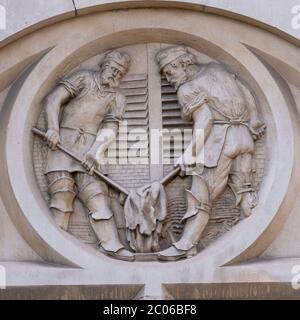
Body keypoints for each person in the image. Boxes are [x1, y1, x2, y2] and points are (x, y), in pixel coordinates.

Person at [156, 46, 266, 260]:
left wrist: (189, 153)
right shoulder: (218, 68)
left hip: (218, 145)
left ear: (182, 64)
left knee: (200, 195)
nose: (169, 79)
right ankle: (255, 244)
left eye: (170, 72)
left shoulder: (188, 88)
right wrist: (254, 119)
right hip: (244, 139)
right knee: (244, 192)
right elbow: (246, 91)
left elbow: (205, 120)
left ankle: (186, 245)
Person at [44, 50, 133, 260]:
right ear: (104, 65)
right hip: (62, 143)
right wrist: (53, 129)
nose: (115, 75)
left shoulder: (117, 98)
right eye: (113, 69)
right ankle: (56, 245)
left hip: (90, 149)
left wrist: (95, 151)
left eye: (120, 73)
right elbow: (54, 99)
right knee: (61, 194)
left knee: (97, 197)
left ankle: (111, 245)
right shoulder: (83, 77)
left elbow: (111, 127)